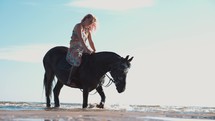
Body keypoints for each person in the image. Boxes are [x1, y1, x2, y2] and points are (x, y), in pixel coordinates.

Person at [66, 14, 97, 85]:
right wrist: (87, 49)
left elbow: (90, 41)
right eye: (90, 21)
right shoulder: (78, 26)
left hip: (84, 48)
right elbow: (81, 39)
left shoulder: (88, 31)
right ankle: (70, 79)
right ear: (86, 18)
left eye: (92, 22)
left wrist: (94, 50)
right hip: (75, 47)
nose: (90, 23)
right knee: (78, 58)